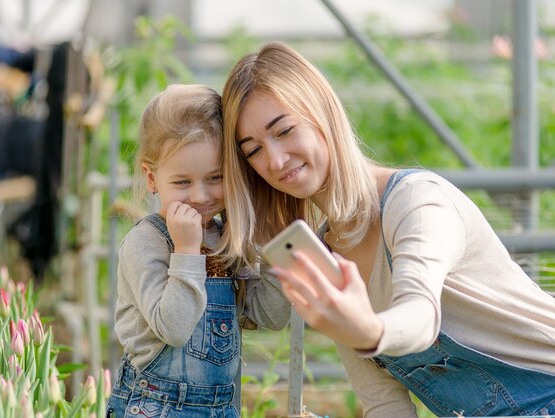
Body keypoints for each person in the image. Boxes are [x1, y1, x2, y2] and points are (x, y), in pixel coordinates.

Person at [220, 41, 555, 417]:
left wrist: (369, 331)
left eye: (283, 131)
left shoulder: (416, 201)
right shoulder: (325, 257)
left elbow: (421, 315)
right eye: (253, 151)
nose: (275, 160)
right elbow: (383, 403)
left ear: (322, 114)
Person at [107, 84, 291, 417]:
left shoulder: (225, 237)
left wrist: (272, 245)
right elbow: (174, 329)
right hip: (155, 407)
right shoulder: (146, 242)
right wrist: (188, 251)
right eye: (182, 182)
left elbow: (272, 316)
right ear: (151, 178)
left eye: (216, 177)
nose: (200, 195)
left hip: (221, 408)